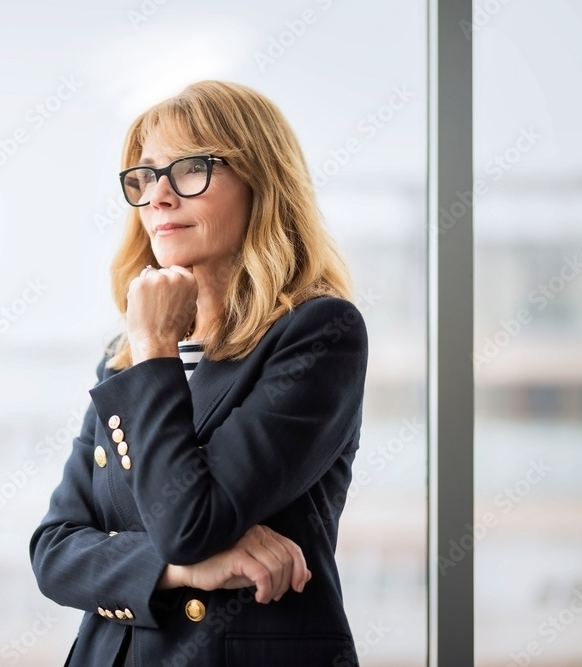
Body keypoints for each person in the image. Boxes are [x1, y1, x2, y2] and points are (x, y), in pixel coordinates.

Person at [29, 80, 368, 666]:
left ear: (262, 184)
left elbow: (189, 520)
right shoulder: (124, 354)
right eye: (145, 175)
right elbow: (55, 553)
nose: (158, 196)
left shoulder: (318, 334)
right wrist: (186, 570)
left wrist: (158, 344)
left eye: (190, 169)